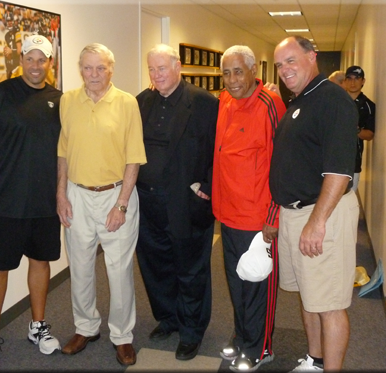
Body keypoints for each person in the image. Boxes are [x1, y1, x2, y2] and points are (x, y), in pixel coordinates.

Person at [0, 35, 62, 371]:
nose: (36, 66)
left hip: (45, 204)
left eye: (42, 59)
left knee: (40, 261)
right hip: (5, 203)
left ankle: (37, 326)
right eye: (30, 59)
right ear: (21, 59)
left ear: (51, 63)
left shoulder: (60, 100)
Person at [268, 36, 359, 371]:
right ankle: (315, 361)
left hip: (323, 215)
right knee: (310, 295)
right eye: (279, 64)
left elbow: (338, 171)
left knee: (330, 303)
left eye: (291, 60)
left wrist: (317, 222)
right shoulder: (301, 99)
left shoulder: (333, 100)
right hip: (295, 214)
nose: (284, 69)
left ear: (312, 57)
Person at [57, 43, 146, 366]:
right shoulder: (68, 101)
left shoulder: (126, 103)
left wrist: (121, 204)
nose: (93, 75)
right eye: (87, 68)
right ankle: (85, 327)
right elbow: (63, 151)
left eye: (100, 68)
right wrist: (61, 194)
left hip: (116, 194)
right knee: (79, 267)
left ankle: (122, 336)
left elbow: (134, 157)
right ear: (80, 69)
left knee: (118, 270)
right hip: (76, 194)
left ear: (111, 69)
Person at [135, 44, 218, 361]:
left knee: (190, 269)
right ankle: (168, 319)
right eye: (152, 69)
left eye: (163, 68)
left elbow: (217, 150)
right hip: (148, 202)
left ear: (178, 66)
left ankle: (192, 331)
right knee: (156, 266)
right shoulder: (142, 101)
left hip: (185, 202)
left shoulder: (204, 103)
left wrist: (208, 188)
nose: (157, 75)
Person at [212, 45, 286, 372]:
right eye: (226, 73)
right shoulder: (224, 101)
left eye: (238, 71)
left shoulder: (271, 104)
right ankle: (243, 336)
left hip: (259, 219)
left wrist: (273, 216)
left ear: (253, 70)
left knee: (258, 286)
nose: (232, 80)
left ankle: (261, 347)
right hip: (227, 216)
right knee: (237, 282)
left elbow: (283, 165)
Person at [345, 65, 376, 191]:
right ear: (345, 81)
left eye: (357, 78)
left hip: (353, 162)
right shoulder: (335, 101)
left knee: (349, 201)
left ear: (363, 81)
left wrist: (355, 129)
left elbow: (370, 135)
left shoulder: (369, 106)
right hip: (330, 161)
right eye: (350, 78)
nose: (353, 82)